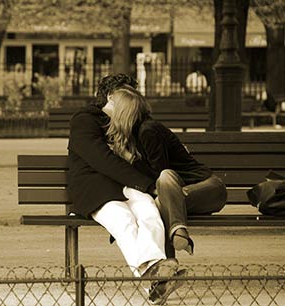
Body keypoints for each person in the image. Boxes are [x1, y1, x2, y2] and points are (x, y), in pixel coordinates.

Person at [67, 74, 179, 304]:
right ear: (110, 96)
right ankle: (154, 276)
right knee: (123, 219)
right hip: (94, 189)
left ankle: (157, 276)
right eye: (126, 95)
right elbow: (103, 160)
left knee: (149, 211)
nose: (132, 100)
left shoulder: (130, 121)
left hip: (125, 185)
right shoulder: (84, 121)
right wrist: (148, 184)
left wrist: (148, 186)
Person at [105, 84, 227, 259]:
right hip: (181, 195)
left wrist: (130, 159)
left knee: (165, 179)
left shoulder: (148, 131)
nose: (110, 111)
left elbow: (158, 174)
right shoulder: (134, 134)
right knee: (162, 206)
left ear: (123, 112)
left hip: (209, 189)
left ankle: (165, 262)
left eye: (114, 106)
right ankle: (178, 235)